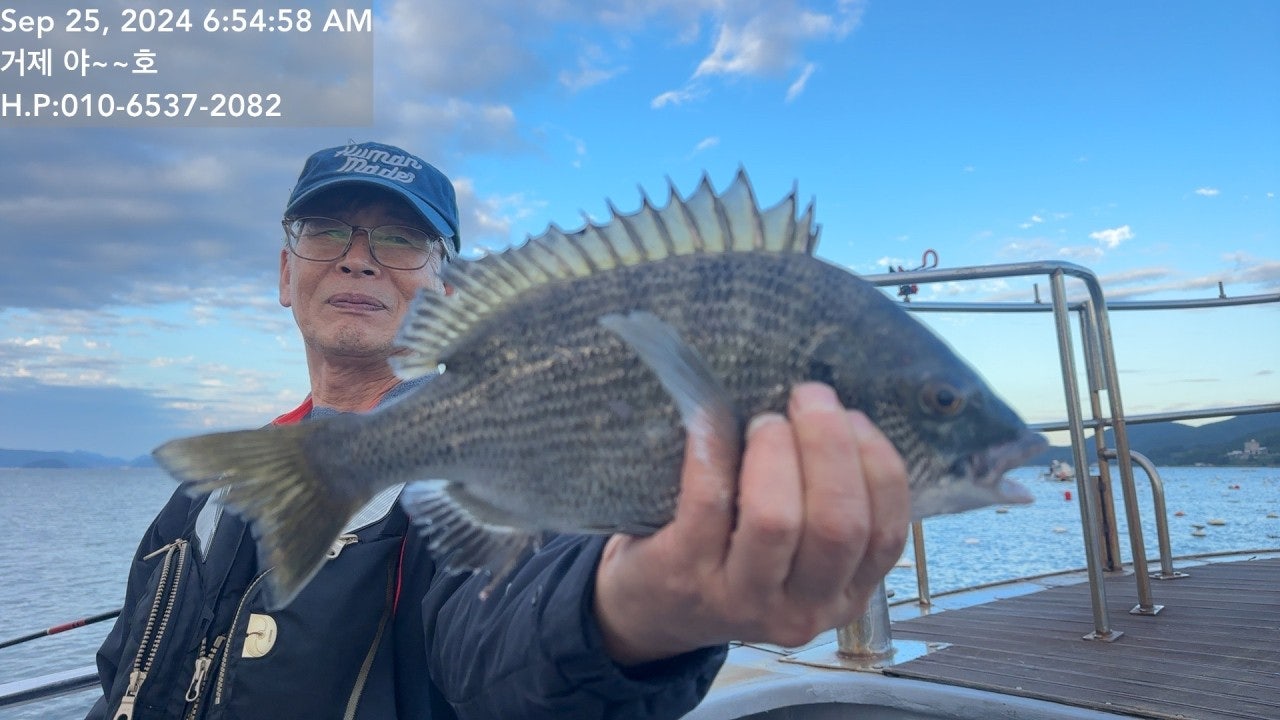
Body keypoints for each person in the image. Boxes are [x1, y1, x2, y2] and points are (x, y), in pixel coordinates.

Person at [87, 141, 910, 719]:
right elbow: (122, 678)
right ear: (284, 272)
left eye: (401, 239)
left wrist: (634, 612)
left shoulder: (487, 462)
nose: (359, 257)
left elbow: (509, 643)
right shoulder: (200, 501)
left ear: (445, 293)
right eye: (327, 231)